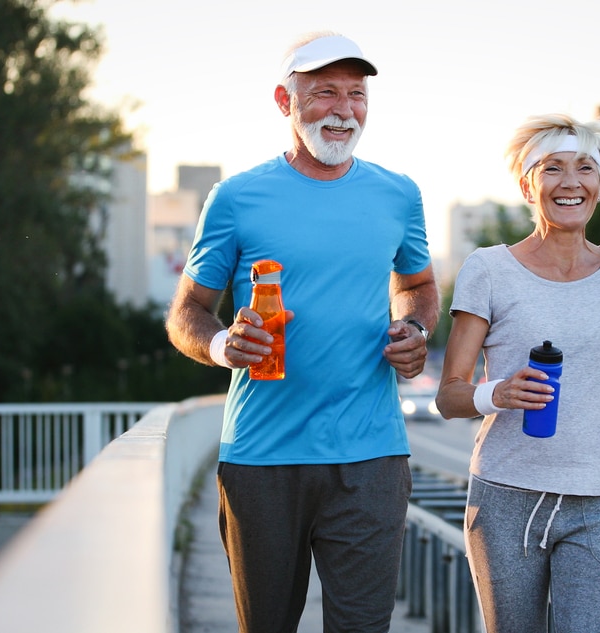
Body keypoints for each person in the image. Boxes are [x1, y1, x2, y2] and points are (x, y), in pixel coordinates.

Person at [166, 31, 439, 633]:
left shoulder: (398, 194)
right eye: (324, 93)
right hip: (263, 456)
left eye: (356, 94)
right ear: (283, 101)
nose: (343, 109)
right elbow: (186, 311)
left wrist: (414, 326)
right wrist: (219, 344)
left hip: (370, 457)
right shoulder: (236, 197)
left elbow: (418, 287)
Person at [434, 113, 600, 632]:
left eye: (584, 168)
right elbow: (450, 396)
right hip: (507, 495)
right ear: (528, 184)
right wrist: (497, 393)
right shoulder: (488, 269)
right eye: (552, 169)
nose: (570, 182)